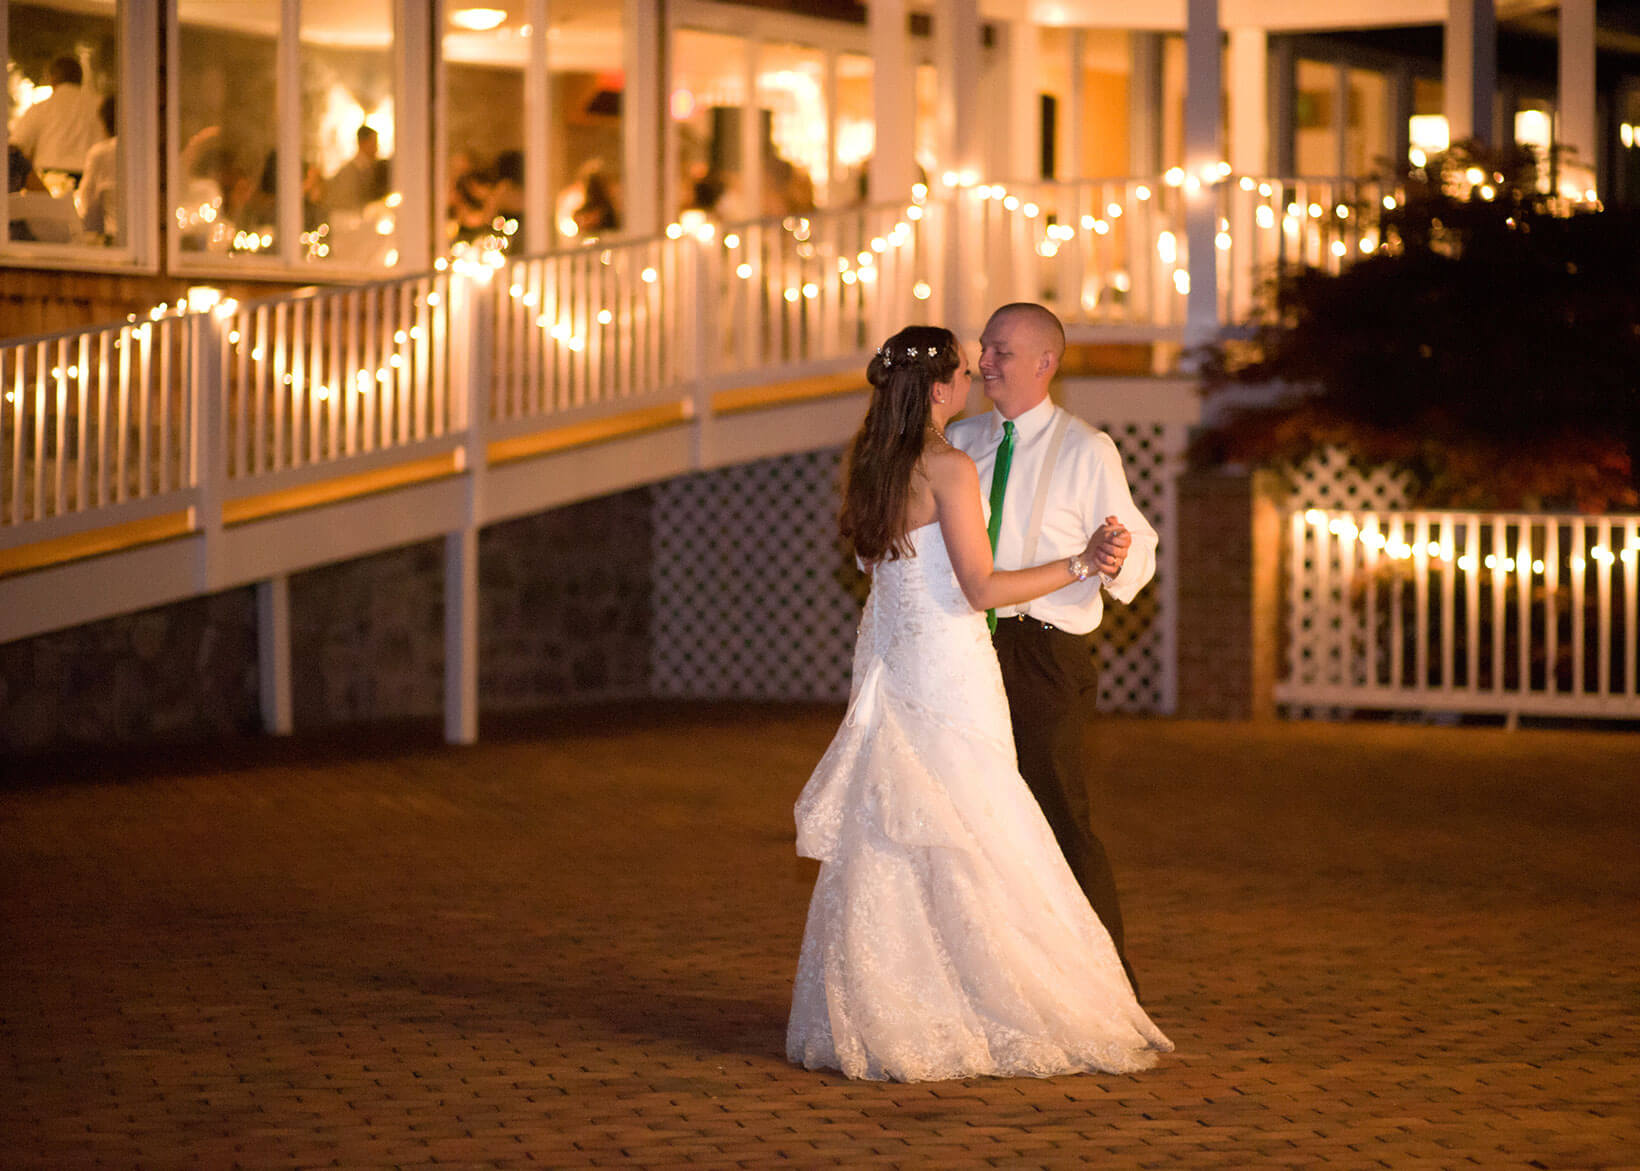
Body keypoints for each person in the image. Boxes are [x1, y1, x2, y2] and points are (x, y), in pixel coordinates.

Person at [786, 325, 1171, 1082]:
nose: (976, 374)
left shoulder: (872, 464)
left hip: (901, 664)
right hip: (955, 663)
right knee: (987, 827)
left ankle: (899, 999)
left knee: (908, 832)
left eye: (995, 354)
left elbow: (880, 568)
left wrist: (1111, 561)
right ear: (938, 389)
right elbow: (979, 587)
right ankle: (1013, 997)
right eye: (966, 366)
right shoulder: (954, 459)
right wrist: (1077, 561)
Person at [947, 302, 1159, 995]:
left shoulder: (1085, 448)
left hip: (1043, 653)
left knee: (1057, 812)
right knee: (970, 816)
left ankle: (1107, 988)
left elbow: (1141, 554)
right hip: (965, 649)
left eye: (1002, 351)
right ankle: (995, 978)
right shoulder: (961, 440)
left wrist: (1116, 554)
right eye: (985, 348)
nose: (985, 362)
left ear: (1046, 363)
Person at [11, 57, 104, 188]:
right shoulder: (100, 106)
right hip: (92, 179)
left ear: (52, 78)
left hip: (50, 182)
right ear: (80, 78)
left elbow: (16, 146)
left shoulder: (41, 108)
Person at [75, 95, 119, 240]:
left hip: (111, 237)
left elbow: (85, 202)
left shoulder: (101, 153)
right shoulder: (148, 153)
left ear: (104, 122)